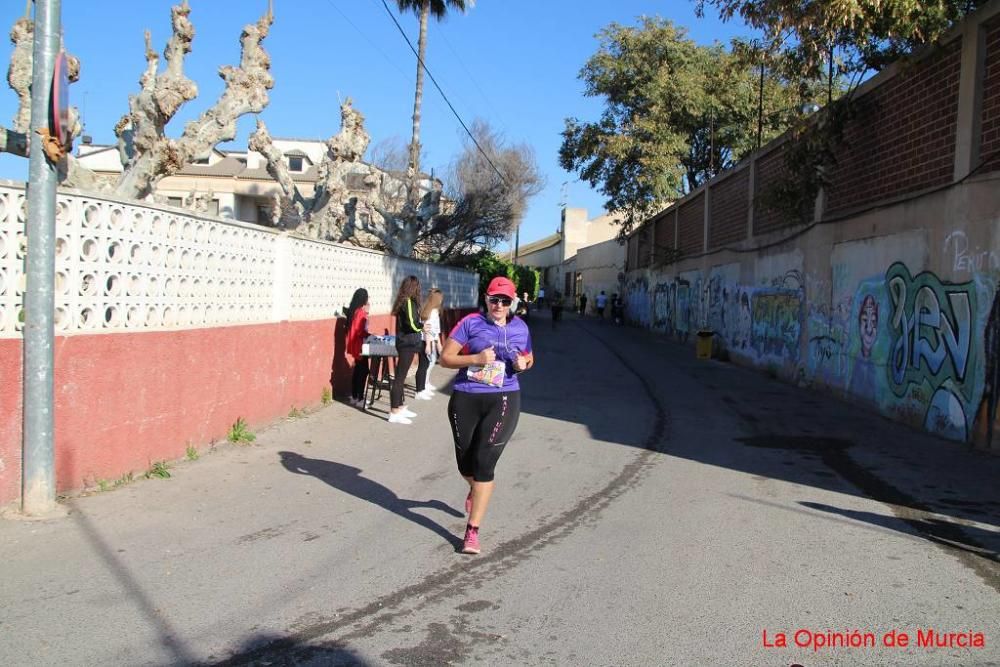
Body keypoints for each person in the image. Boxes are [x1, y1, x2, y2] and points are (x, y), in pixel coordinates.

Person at [440, 276, 534, 554]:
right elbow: (445, 357)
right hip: (466, 396)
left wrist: (523, 364)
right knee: (465, 464)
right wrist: (475, 359)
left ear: (512, 302)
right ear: (486, 298)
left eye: (505, 301)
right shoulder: (471, 323)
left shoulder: (520, 327)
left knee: (484, 462)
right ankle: (475, 488)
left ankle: (472, 531)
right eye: (495, 299)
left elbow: (529, 357)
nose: (499, 305)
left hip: (504, 397)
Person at [389, 275, 428, 424]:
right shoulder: (408, 302)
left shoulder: (404, 302)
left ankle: (398, 406)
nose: (419, 289)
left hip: (406, 342)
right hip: (407, 343)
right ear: (414, 287)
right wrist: (422, 326)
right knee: (399, 378)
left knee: (401, 376)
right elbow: (412, 324)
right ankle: (394, 411)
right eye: (418, 286)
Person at [417, 288, 445, 399]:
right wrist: (429, 345)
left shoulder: (432, 310)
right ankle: (421, 388)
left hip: (429, 340)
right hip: (425, 341)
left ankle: (426, 384)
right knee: (425, 365)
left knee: (430, 363)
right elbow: (428, 329)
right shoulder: (431, 312)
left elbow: (435, 330)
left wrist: (438, 344)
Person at [345, 288, 370, 408]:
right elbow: (361, 331)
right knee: (363, 371)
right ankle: (360, 398)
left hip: (355, 346)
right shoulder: (361, 312)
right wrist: (371, 335)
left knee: (357, 370)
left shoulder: (354, 311)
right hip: (361, 346)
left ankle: (354, 396)